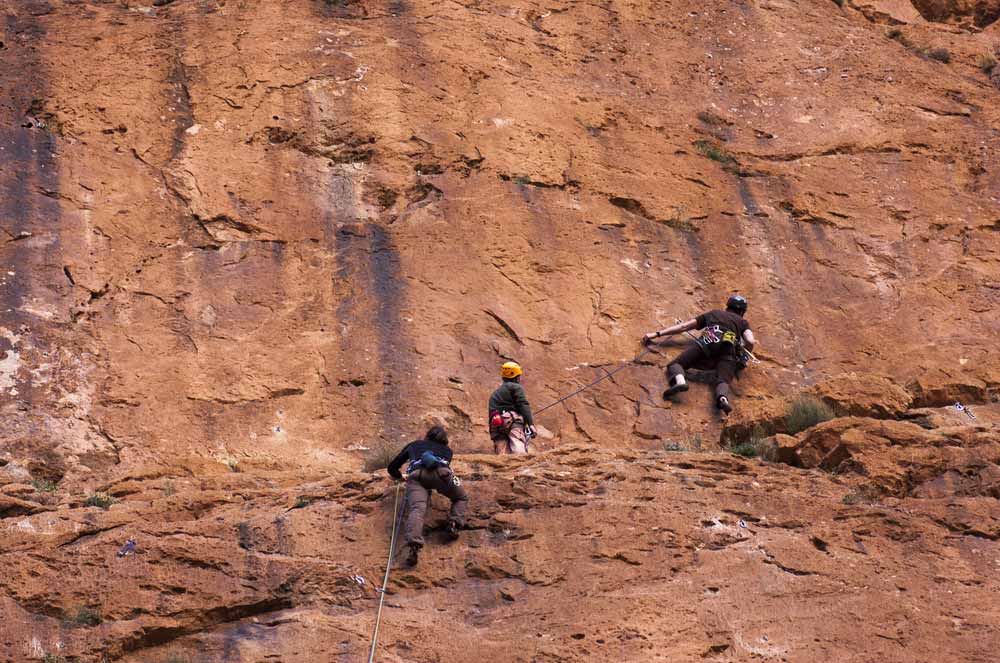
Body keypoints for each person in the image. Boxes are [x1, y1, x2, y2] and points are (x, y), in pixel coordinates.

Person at [642, 295, 756, 415]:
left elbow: (683, 326)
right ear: (742, 312)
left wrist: (657, 334)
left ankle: (680, 381)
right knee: (723, 380)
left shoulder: (714, 313)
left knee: (676, 364)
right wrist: (743, 358)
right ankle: (723, 398)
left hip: (706, 344)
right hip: (727, 352)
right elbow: (750, 341)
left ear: (727, 307)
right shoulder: (743, 322)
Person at [387, 426, 468, 567]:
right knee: (461, 497)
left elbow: (392, 467)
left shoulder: (414, 445)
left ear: (428, 435)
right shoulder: (448, 451)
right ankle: (454, 522)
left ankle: (414, 546)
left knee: (417, 509)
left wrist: (399, 477)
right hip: (442, 475)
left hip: (417, 476)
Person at [488, 361, 537, 454]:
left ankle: (503, 465)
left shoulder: (495, 393)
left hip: (496, 425)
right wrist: (530, 424)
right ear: (517, 376)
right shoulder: (516, 387)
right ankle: (521, 464)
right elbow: (523, 405)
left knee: (502, 449)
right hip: (512, 422)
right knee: (518, 448)